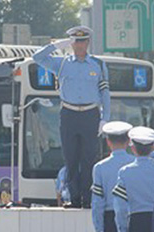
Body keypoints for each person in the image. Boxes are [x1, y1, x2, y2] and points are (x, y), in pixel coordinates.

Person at [33, 25, 110, 208]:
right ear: (71, 43)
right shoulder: (62, 63)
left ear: (88, 42)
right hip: (69, 113)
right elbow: (37, 57)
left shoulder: (98, 64)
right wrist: (56, 45)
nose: (79, 45)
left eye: (83, 41)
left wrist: (105, 118)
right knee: (71, 158)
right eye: (76, 41)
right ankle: (74, 199)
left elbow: (105, 92)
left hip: (90, 114)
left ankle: (88, 198)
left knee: (89, 158)